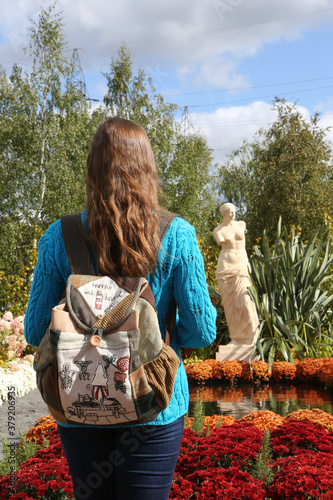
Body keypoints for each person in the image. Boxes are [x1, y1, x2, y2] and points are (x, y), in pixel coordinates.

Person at [24, 116, 217, 500]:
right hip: (153, 401)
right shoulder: (175, 234)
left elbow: (33, 331)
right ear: (147, 168)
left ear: (92, 171)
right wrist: (151, 334)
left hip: (79, 403)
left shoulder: (59, 236)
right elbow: (203, 331)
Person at [213, 202, 259, 346]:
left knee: (245, 301)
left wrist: (247, 264)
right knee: (230, 305)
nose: (232, 215)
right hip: (225, 268)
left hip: (241, 267)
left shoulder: (241, 225)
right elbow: (221, 242)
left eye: (233, 212)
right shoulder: (218, 230)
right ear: (223, 214)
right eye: (229, 213)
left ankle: (251, 336)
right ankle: (236, 338)